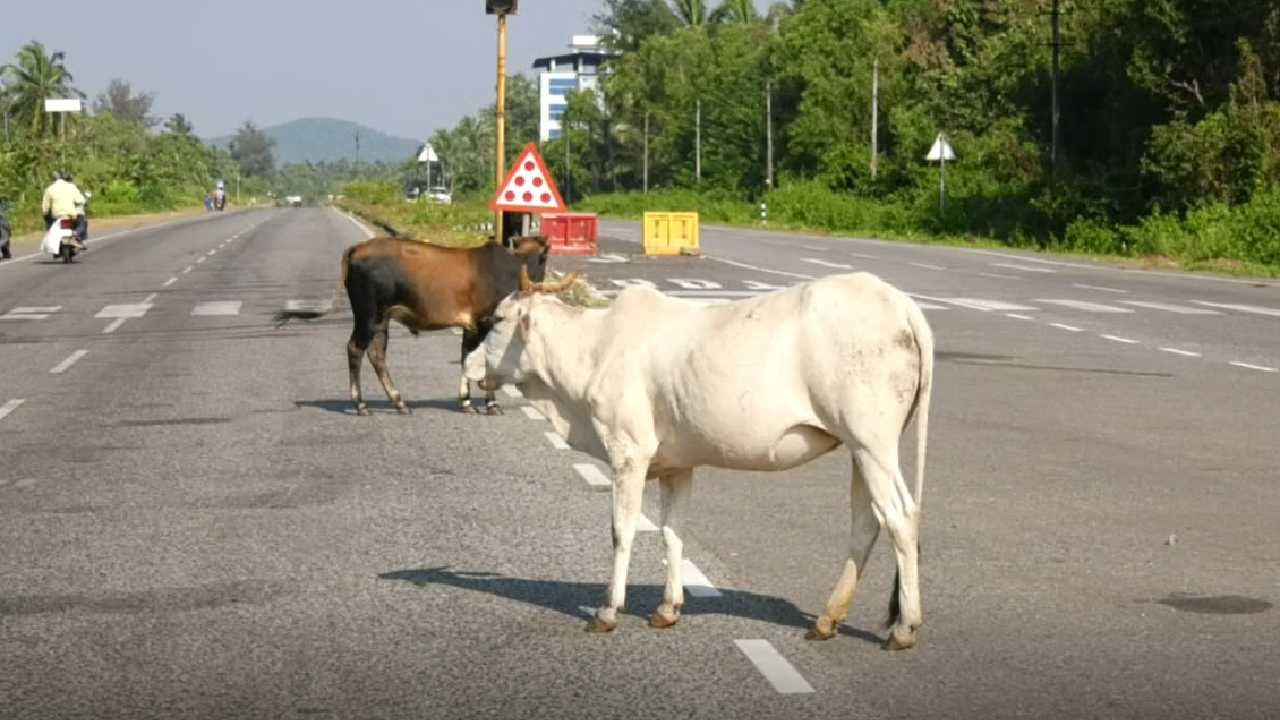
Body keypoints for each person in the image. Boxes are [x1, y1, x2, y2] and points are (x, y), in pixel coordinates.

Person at [41, 170, 87, 250]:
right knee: (82, 224)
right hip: (70, 215)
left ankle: (56, 237)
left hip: (56, 216)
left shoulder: (49, 189)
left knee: (49, 224)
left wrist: (46, 214)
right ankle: (76, 234)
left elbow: (45, 207)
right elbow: (80, 200)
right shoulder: (72, 187)